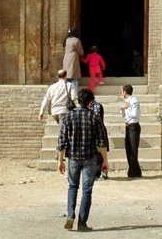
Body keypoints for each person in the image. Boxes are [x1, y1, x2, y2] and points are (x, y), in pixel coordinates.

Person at [57, 88, 109, 231]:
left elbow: (61, 142)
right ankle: (82, 223)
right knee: (87, 190)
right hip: (90, 158)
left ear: (78, 101)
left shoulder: (67, 118)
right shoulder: (94, 117)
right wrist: (105, 161)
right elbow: (102, 142)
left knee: (73, 186)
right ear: (91, 102)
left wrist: (60, 161)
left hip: (73, 158)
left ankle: (70, 215)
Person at [120, 84, 142, 178]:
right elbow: (124, 115)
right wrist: (123, 109)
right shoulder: (126, 101)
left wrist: (127, 109)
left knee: (133, 149)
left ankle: (132, 172)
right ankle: (136, 171)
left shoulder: (134, 101)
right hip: (128, 126)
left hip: (134, 127)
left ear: (125, 92)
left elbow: (135, 114)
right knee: (128, 149)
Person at [88, 94, 110, 180]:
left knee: (98, 153)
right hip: (97, 130)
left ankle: (98, 172)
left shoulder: (95, 106)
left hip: (97, 131)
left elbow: (95, 119)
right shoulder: (95, 105)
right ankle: (100, 172)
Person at [63, 28, 84, 93]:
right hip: (73, 59)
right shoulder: (76, 40)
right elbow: (80, 52)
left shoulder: (67, 40)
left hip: (66, 58)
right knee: (74, 77)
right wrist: (82, 53)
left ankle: (67, 93)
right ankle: (74, 94)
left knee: (68, 76)